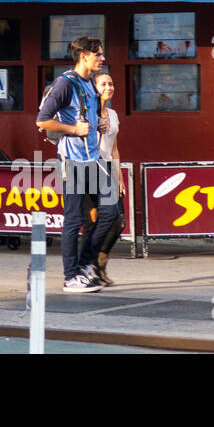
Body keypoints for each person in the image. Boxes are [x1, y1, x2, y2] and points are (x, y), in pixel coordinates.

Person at [37, 36, 119, 293]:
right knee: (73, 220)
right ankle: (71, 277)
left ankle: (86, 265)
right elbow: (42, 121)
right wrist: (73, 128)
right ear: (84, 56)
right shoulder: (65, 84)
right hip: (72, 161)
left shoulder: (88, 84)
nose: (102, 59)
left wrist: (100, 123)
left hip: (94, 160)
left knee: (111, 213)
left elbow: (90, 116)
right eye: (98, 54)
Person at [80, 70, 125, 285]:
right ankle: (86, 268)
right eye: (103, 84)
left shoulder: (114, 115)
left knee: (118, 221)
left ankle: (100, 261)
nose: (108, 88)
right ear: (94, 89)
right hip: (89, 169)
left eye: (111, 83)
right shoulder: (88, 113)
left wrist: (120, 177)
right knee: (92, 222)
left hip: (108, 169)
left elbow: (114, 148)